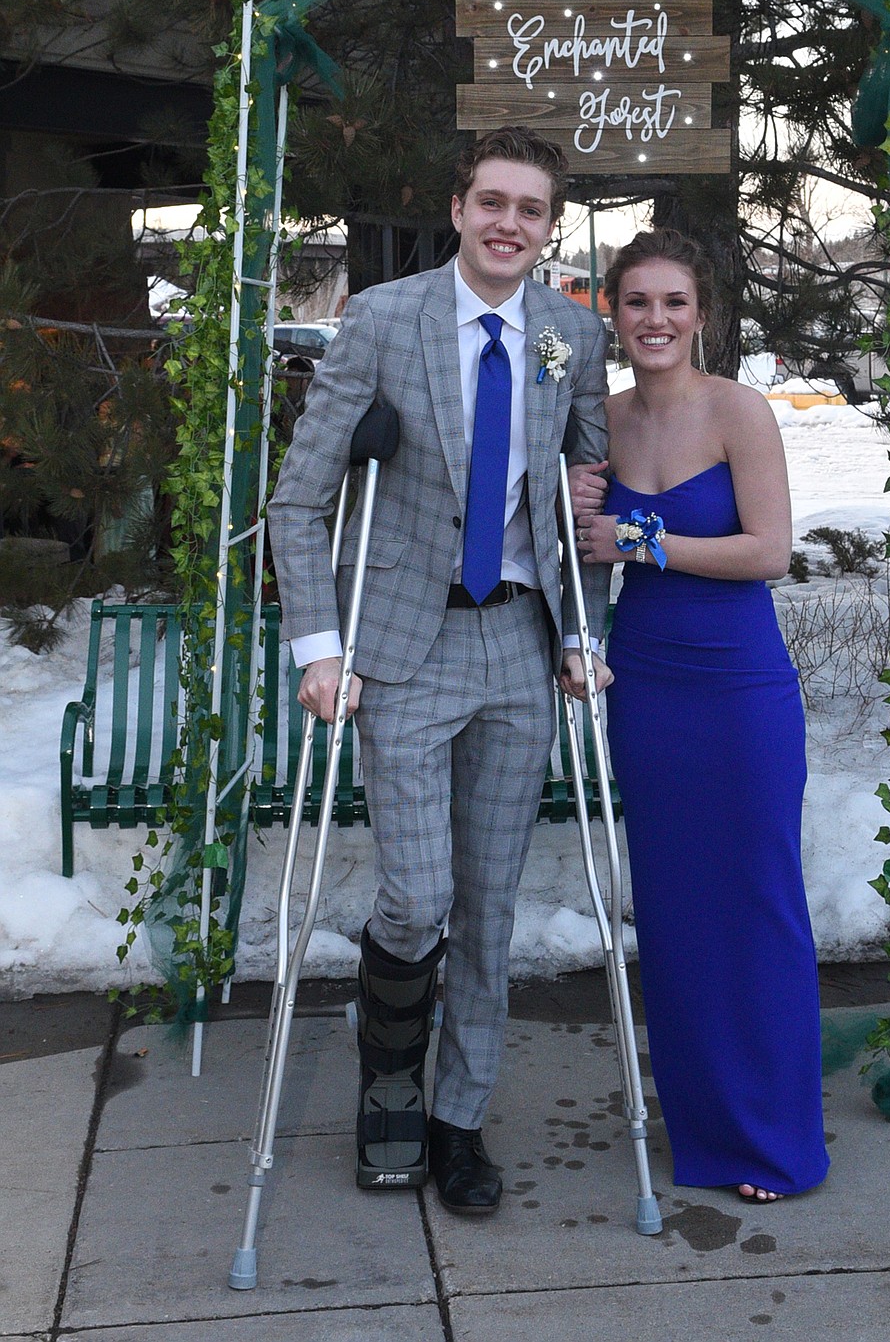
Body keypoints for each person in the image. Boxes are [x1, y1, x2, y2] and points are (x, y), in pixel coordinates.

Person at [267, 126, 611, 1215]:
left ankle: (459, 1120)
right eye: (493, 201)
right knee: (418, 898)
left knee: (491, 904)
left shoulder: (570, 334)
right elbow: (299, 499)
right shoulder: (382, 319)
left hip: (518, 638)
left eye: (533, 209)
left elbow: (584, 505)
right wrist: (322, 646)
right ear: (459, 207)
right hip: (405, 645)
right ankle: (388, 1086)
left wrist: (585, 630)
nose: (512, 222)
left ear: (550, 228)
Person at [569, 228, 829, 1204]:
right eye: (637, 303)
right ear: (613, 311)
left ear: (702, 310)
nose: (656, 320)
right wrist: (574, 506)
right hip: (647, 686)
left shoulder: (740, 411)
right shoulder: (605, 418)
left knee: (759, 906)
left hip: (740, 686)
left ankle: (777, 1142)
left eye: (673, 302)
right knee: (676, 913)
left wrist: (637, 532)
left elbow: (769, 551)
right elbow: (580, 545)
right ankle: (707, 1132)